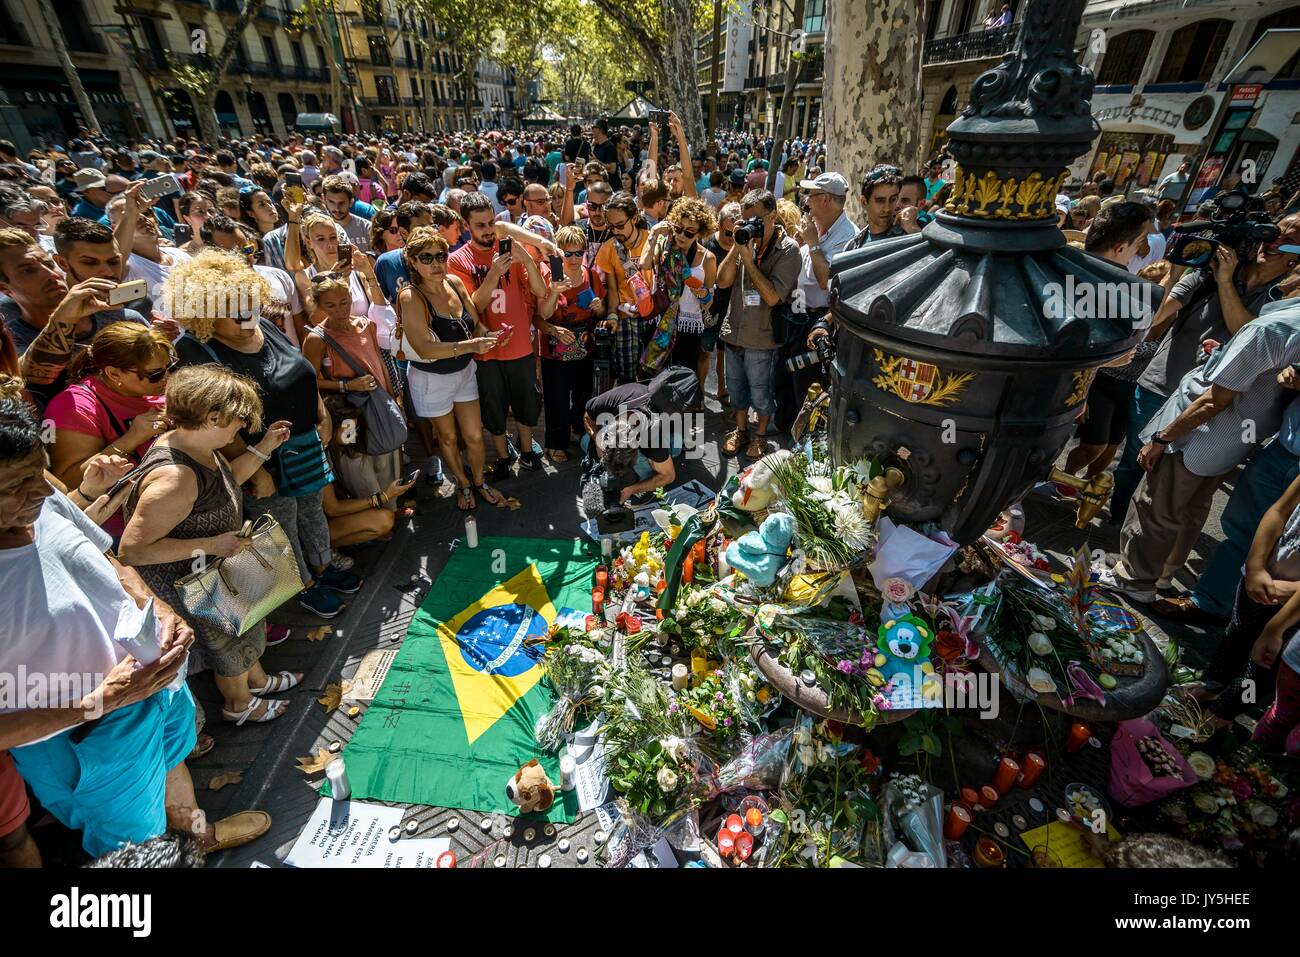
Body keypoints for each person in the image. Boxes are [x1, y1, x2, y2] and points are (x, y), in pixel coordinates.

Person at [0, 394, 270, 857]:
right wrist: (95, 704)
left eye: (39, 472)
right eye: (18, 484)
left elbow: (103, 557)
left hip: (156, 687)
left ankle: (195, 839)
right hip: (87, 737)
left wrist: (160, 610)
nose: (43, 492)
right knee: (134, 852)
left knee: (171, 763)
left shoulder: (37, 490)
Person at [166, 250, 362, 619]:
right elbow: (218, 418)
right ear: (204, 311)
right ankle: (303, 585)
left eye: (248, 302)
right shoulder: (194, 350)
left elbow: (299, 372)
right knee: (279, 525)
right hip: (261, 457)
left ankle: (322, 567)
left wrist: (322, 416)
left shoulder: (265, 327)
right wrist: (255, 469)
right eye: (232, 307)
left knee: (312, 511)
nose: (245, 314)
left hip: (304, 445)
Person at [119, 365, 302, 726]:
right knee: (225, 645)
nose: (242, 426)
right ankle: (239, 704)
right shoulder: (174, 477)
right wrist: (212, 543)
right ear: (212, 416)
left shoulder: (199, 446)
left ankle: (257, 680)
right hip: (194, 585)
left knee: (241, 630)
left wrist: (264, 449)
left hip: (214, 571)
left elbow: (225, 483)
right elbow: (132, 551)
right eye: (238, 418)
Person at [1098, 293, 1300, 604]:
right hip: (1234, 439)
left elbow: (1215, 400)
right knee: (1189, 510)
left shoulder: (1273, 328)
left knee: (1156, 508)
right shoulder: (1288, 322)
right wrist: (1225, 356)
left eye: (1288, 245)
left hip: (1203, 435)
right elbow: (1262, 377)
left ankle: (1134, 579)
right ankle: (1162, 573)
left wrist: (1163, 438)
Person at [1110, 213, 1300, 523]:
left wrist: (1226, 283)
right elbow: (1157, 315)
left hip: (1216, 407)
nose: (1274, 243)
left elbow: (1250, 335)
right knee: (1135, 459)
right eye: (1272, 233)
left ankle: (1143, 546)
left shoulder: (1285, 298)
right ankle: (1118, 520)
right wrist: (1177, 274)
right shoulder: (1210, 271)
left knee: (1173, 484)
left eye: (1289, 241)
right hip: (1162, 383)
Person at [397, 226, 504, 511]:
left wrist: (489, 335)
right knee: (448, 437)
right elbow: (423, 348)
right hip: (431, 379)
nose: (436, 263)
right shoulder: (411, 296)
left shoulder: (456, 282)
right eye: (427, 257)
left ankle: (479, 481)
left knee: (474, 435)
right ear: (414, 262)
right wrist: (472, 346)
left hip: (464, 372)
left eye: (441, 256)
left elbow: (475, 319)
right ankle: (463, 483)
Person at [1056, 202, 1159, 491]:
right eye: (1140, 242)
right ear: (1121, 246)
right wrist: (1099, 366)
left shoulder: (1060, 265)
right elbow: (1114, 355)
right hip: (1052, 397)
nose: (1141, 251)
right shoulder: (1117, 290)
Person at [449, 192, 551, 478]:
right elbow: (473, 307)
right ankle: (504, 456)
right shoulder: (458, 260)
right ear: (466, 225)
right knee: (493, 407)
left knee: (526, 403)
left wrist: (526, 260)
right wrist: (494, 272)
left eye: (490, 222)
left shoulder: (509, 246)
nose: (487, 230)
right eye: (479, 225)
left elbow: (541, 291)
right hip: (486, 350)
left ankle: (528, 449)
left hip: (519, 345)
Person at [45, 322, 173, 538]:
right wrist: (131, 439)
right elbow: (68, 482)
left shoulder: (153, 389)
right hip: (129, 532)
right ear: (114, 374)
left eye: (170, 367)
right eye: (155, 374)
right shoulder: (74, 407)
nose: (167, 377)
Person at [0, 227, 149, 408]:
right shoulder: (10, 342)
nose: (51, 274)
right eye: (28, 270)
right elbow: (33, 376)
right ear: (4, 289)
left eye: (48, 264)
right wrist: (64, 317)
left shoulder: (125, 320)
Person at [302, 272, 404, 508]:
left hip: (378, 405)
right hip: (347, 414)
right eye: (330, 305)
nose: (339, 310)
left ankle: (391, 508)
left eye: (344, 302)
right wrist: (346, 385)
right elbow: (308, 382)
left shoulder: (366, 325)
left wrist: (393, 398)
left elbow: (381, 365)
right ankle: (372, 515)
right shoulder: (317, 338)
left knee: (386, 455)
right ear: (318, 305)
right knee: (355, 462)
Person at [717, 188, 802, 459]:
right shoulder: (742, 242)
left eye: (756, 220)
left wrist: (749, 261)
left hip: (763, 336)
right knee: (736, 389)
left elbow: (773, 296)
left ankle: (761, 435)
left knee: (761, 392)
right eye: (746, 220)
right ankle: (741, 431)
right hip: (735, 331)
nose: (751, 226)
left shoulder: (788, 250)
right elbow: (722, 281)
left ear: (772, 215)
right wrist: (738, 246)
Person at [537, 225, 605, 464]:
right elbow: (539, 315)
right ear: (558, 254)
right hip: (555, 347)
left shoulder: (591, 274)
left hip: (584, 346)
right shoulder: (547, 274)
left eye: (579, 253)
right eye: (568, 253)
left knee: (583, 394)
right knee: (556, 396)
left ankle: (577, 429)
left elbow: (602, 311)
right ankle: (555, 443)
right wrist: (555, 293)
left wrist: (599, 308)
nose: (574, 258)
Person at [582, 366, 699, 500]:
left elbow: (668, 476)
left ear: (636, 448)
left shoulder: (653, 437)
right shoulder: (615, 399)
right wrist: (597, 439)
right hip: (643, 413)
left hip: (672, 429)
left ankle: (679, 443)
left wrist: (631, 489)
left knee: (649, 465)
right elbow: (587, 416)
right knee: (586, 441)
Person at [638, 197, 717, 387]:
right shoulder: (663, 245)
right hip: (660, 323)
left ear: (700, 233)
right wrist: (654, 234)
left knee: (682, 383)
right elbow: (644, 264)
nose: (681, 235)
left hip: (687, 327)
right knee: (651, 380)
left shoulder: (708, 258)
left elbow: (708, 302)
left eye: (689, 233)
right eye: (678, 228)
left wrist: (692, 282)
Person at [796, 172, 858, 404]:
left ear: (826, 200)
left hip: (821, 323)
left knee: (810, 391)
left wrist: (812, 244)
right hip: (801, 314)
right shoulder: (820, 226)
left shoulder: (849, 237)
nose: (806, 201)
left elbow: (827, 281)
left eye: (810, 195)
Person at [594, 191, 654, 385]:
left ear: (634, 218)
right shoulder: (608, 248)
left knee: (652, 375)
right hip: (625, 319)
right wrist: (612, 315)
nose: (616, 231)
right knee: (627, 377)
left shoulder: (652, 240)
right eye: (611, 227)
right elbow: (612, 289)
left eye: (620, 225)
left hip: (654, 317)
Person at [845, 165, 907, 249]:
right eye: (880, 201)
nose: (887, 208)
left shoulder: (908, 236)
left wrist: (914, 230)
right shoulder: (853, 247)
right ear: (864, 202)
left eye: (893, 199)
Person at [321, 175, 373, 252]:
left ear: (351, 202)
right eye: (331, 202)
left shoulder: (367, 228)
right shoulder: (320, 230)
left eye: (341, 203)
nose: (337, 208)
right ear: (324, 199)